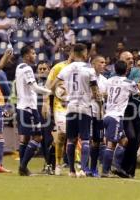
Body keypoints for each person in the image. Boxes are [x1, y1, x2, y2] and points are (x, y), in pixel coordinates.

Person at [50, 43, 100, 177]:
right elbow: (95, 92)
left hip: (71, 107)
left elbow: (52, 86)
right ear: (84, 54)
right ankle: (83, 169)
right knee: (84, 139)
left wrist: (63, 95)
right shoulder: (89, 69)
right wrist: (99, 100)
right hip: (84, 107)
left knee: (71, 139)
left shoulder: (66, 69)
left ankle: (71, 171)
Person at [16, 45, 51, 176]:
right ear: (26, 55)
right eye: (33, 53)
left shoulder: (19, 67)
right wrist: (51, 91)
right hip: (29, 108)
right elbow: (35, 88)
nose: (35, 55)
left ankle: (22, 167)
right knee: (37, 136)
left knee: (25, 139)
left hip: (22, 106)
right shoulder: (27, 68)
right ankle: (23, 167)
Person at [101, 60, 140, 178]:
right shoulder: (129, 83)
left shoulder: (109, 81)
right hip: (116, 117)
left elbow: (105, 95)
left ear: (115, 69)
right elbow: (138, 93)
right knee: (111, 144)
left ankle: (116, 167)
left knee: (124, 141)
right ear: (127, 70)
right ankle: (106, 171)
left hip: (107, 114)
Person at [43, 50, 73, 176]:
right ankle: (58, 164)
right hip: (60, 106)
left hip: (76, 105)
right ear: (71, 53)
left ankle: (75, 165)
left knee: (76, 137)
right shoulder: (58, 67)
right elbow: (48, 86)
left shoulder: (83, 68)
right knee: (61, 135)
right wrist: (45, 103)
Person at [88, 55, 107, 177]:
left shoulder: (105, 80)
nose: (104, 64)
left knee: (97, 141)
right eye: (101, 62)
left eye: (105, 62)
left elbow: (105, 96)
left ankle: (93, 169)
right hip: (89, 112)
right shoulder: (87, 77)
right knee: (87, 140)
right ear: (93, 64)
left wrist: (103, 95)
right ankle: (85, 167)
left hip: (100, 114)